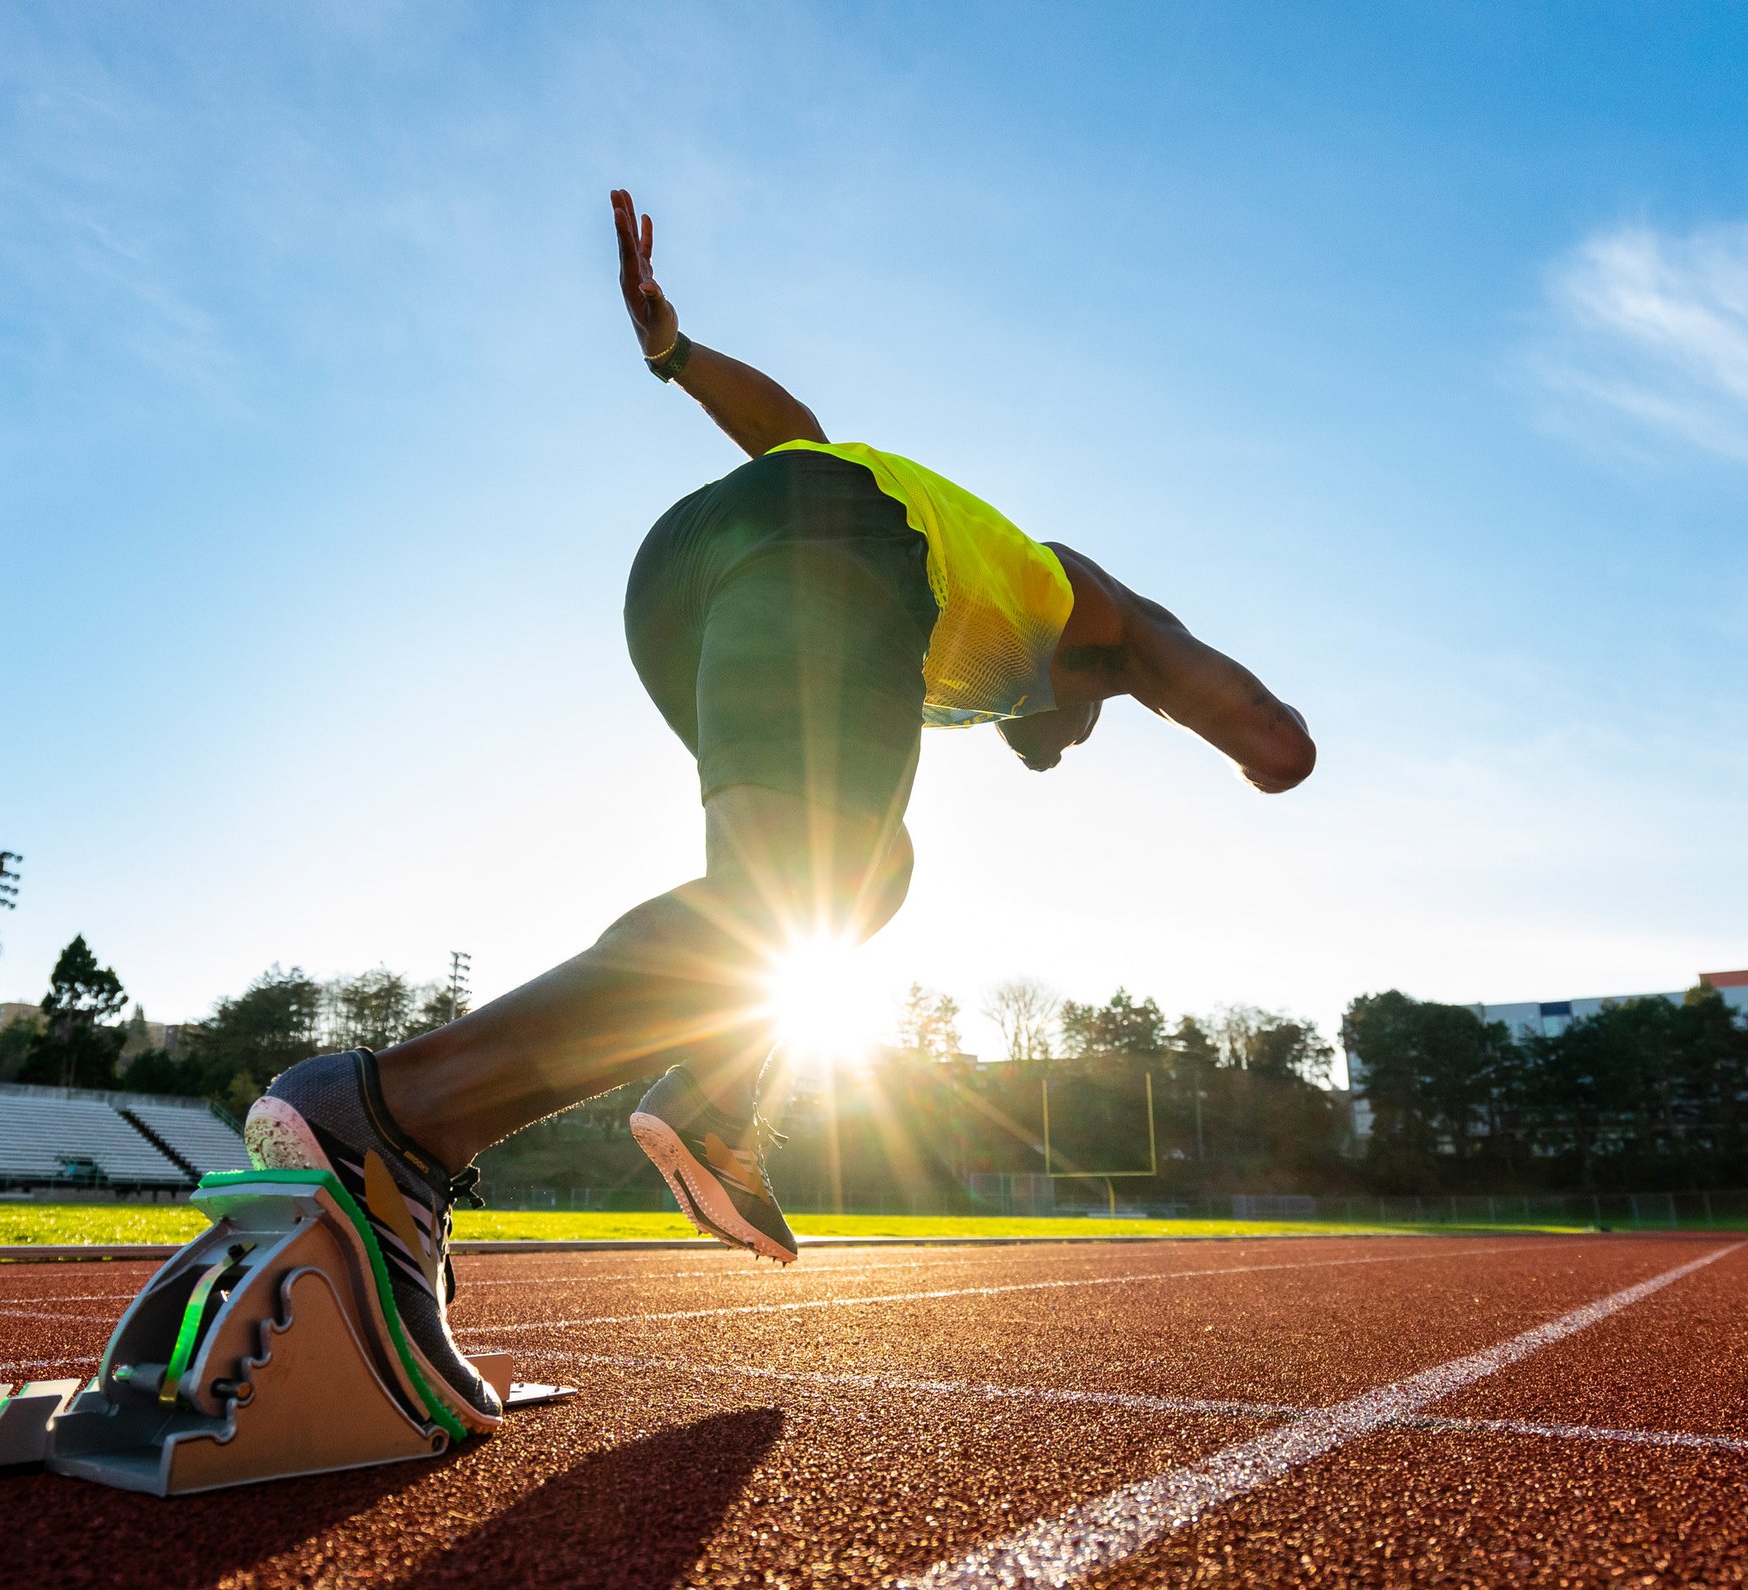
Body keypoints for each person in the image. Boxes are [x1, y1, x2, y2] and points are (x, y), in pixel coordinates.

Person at [242, 188, 1316, 1435]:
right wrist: (1236, 732)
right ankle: (393, 1117)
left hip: (684, 576)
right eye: (1077, 727)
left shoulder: (953, 568)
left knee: (845, 875)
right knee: (821, 886)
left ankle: (706, 1096)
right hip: (832, 563)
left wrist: (673, 354)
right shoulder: (1097, 608)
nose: (1060, 751)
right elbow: (1273, 738)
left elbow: (793, 436)